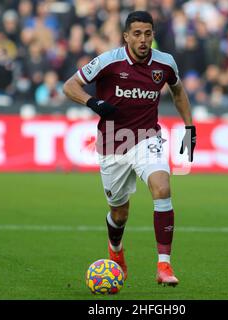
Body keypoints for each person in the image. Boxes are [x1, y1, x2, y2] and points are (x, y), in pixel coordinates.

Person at [63, 11, 196, 286]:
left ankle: (164, 266)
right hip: (113, 142)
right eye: (137, 33)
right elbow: (70, 85)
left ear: (153, 35)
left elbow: (179, 91)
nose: (143, 39)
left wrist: (189, 127)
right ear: (126, 36)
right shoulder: (109, 61)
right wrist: (92, 102)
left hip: (148, 137)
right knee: (119, 213)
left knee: (162, 187)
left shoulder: (165, 63)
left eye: (148, 33)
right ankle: (116, 251)